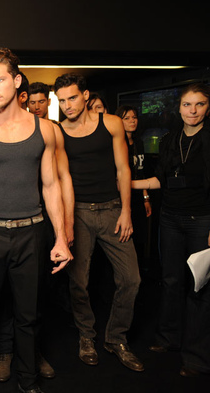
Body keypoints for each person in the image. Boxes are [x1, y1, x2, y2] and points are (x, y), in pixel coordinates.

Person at [0, 47, 72, 393]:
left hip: (31, 232)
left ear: (17, 80)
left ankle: (28, 380)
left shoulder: (45, 130)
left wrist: (61, 237)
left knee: (29, 314)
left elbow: (51, 186)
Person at [54, 73, 143, 372]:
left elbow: (123, 169)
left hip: (112, 209)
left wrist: (126, 211)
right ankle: (86, 335)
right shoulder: (58, 132)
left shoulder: (112, 123)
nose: (67, 105)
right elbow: (61, 179)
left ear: (86, 95)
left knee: (131, 279)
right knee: (78, 281)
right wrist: (67, 223)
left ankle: (116, 338)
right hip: (77, 211)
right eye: (62, 100)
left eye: (72, 97)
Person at [132, 83, 210, 377]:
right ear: (179, 108)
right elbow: (159, 180)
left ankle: (197, 357)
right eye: (187, 105)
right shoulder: (170, 140)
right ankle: (168, 338)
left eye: (200, 104)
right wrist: (126, 183)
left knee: (199, 286)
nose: (193, 111)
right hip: (170, 219)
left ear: (208, 108)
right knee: (170, 280)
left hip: (202, 220)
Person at [117, 105, 152, 269]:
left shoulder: (139, 142)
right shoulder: (117, 144)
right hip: (122, 197)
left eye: (134, 117)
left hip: (138, 197)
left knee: (139, 238)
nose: (132, 121)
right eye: (127, 118)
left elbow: (141, 172)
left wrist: (146, 198)